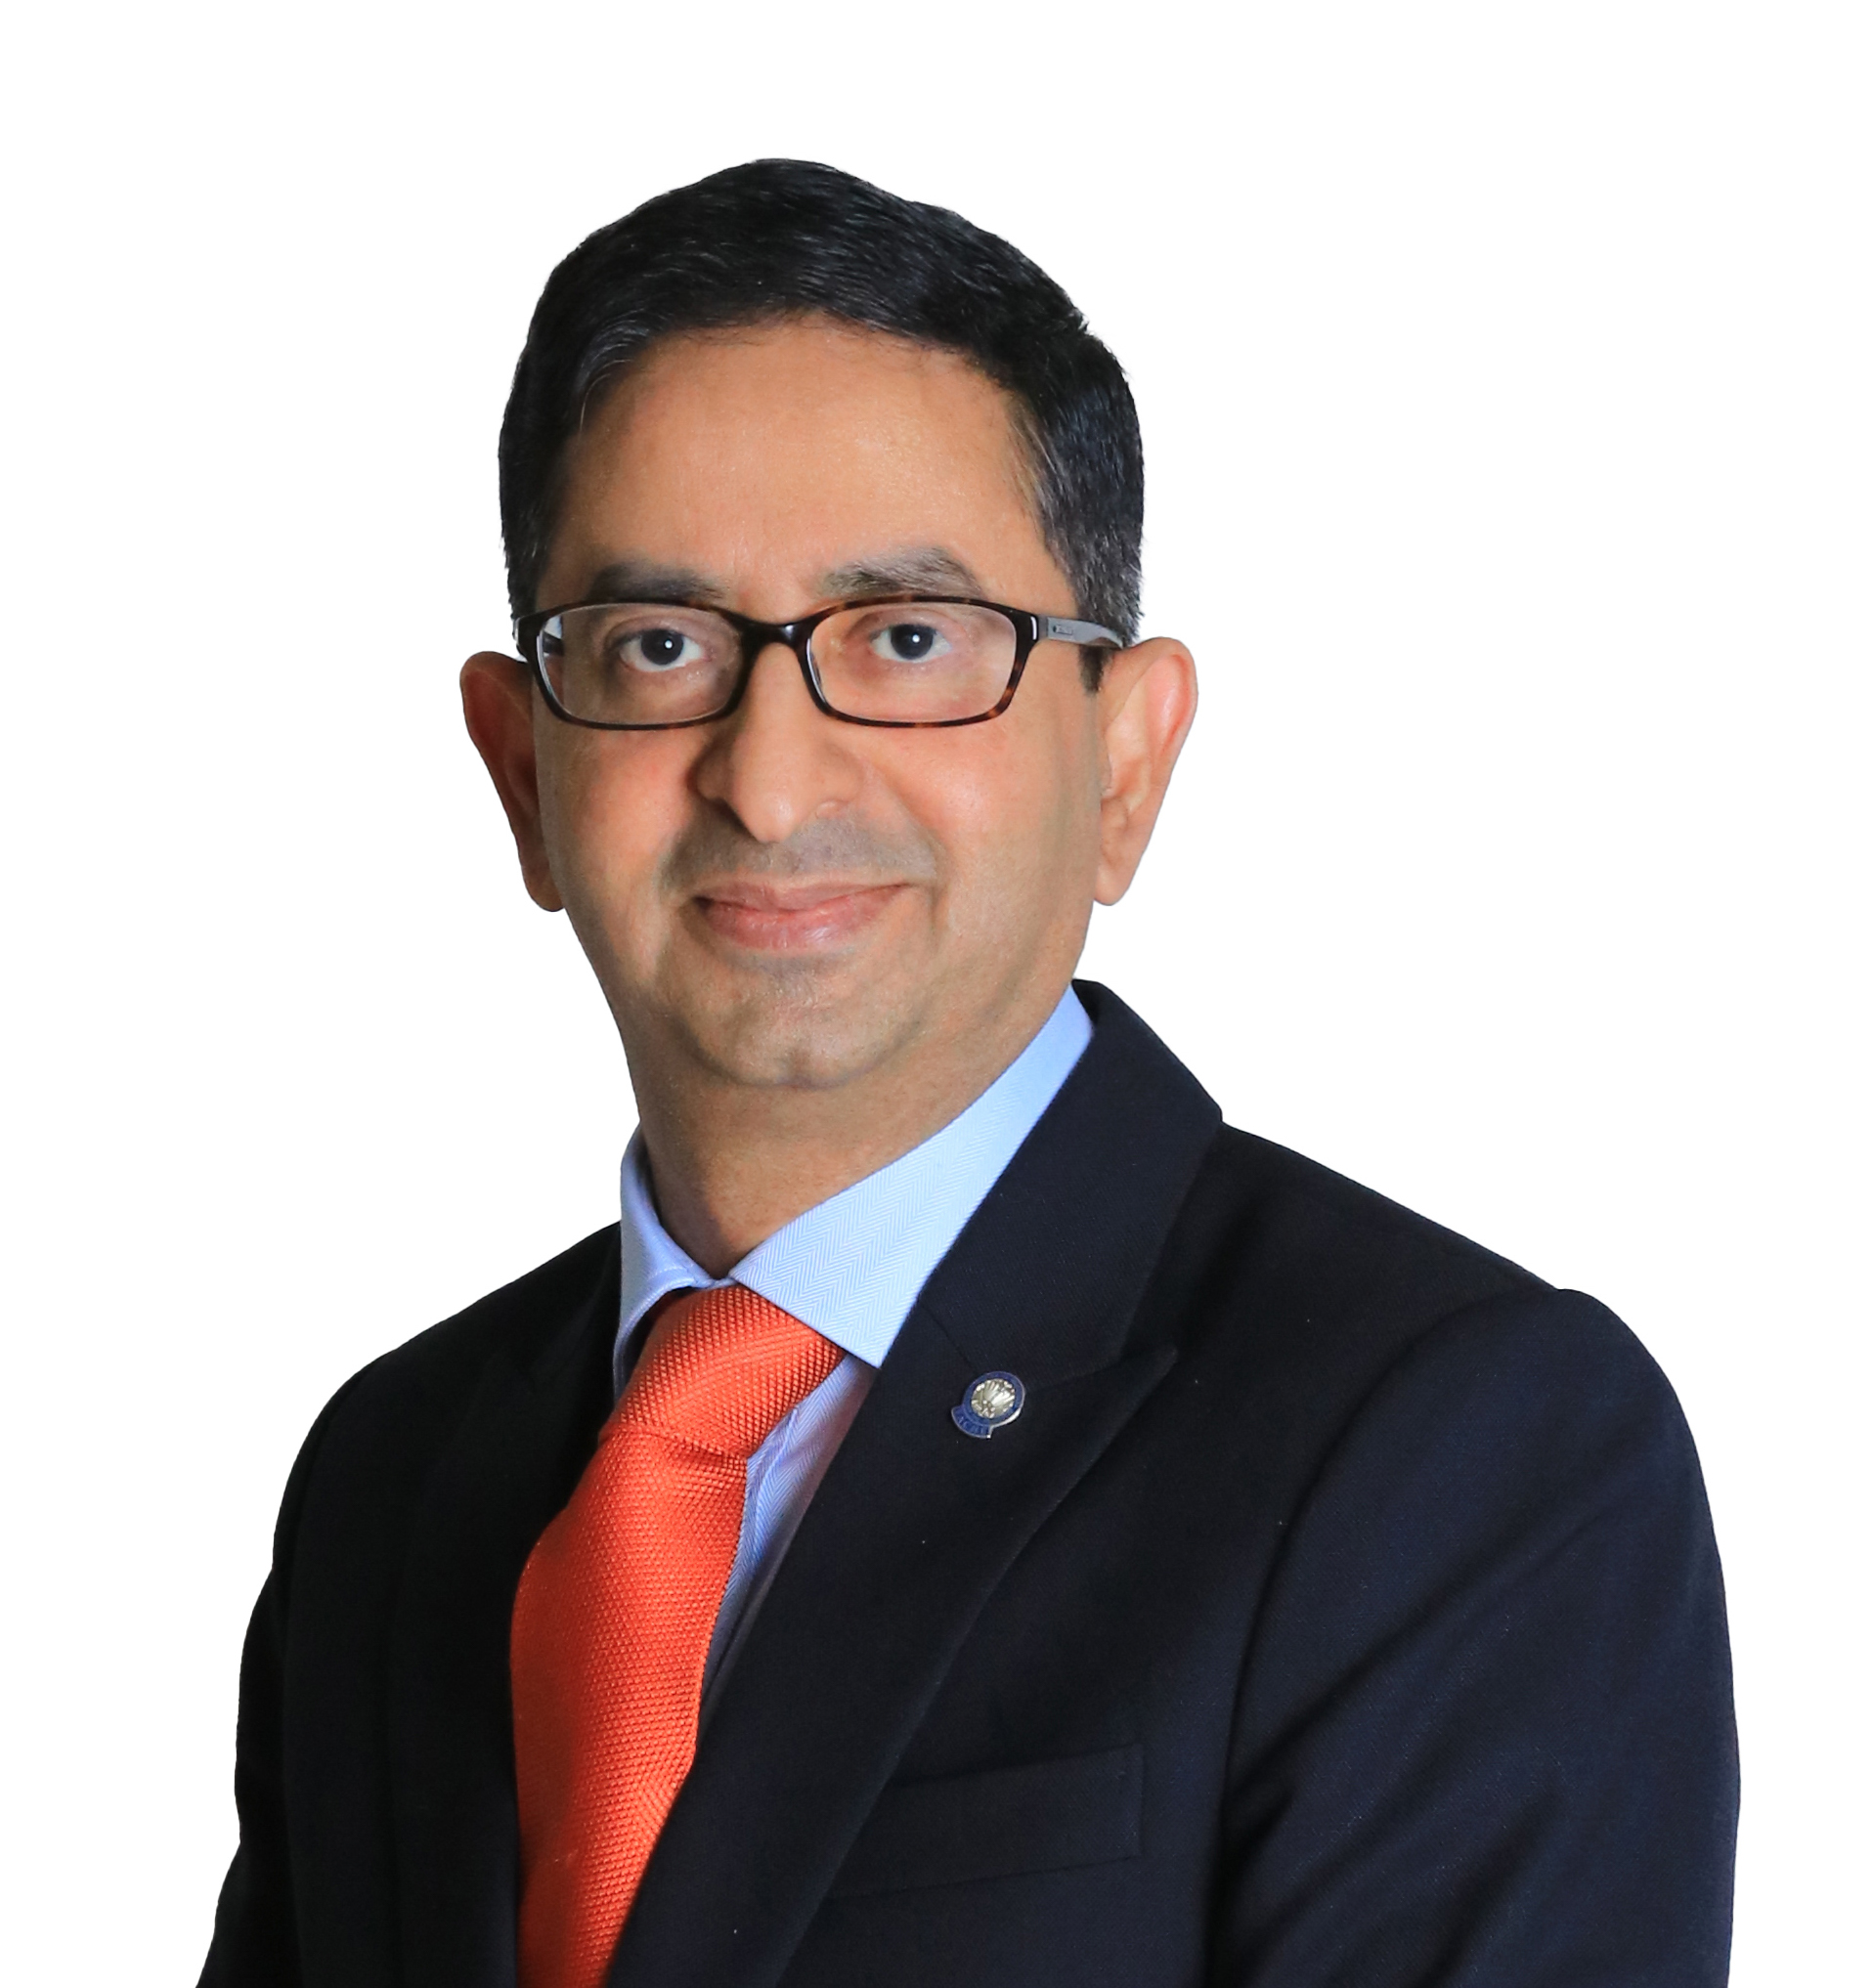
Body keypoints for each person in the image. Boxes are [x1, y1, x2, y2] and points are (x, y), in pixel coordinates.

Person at [198, 160, 1738, 1988]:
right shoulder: (394, 1479)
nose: (772, 780)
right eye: (660, 645)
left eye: (909, 640)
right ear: (523, 768)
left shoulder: (1460, 1453)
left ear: (1128, 760)